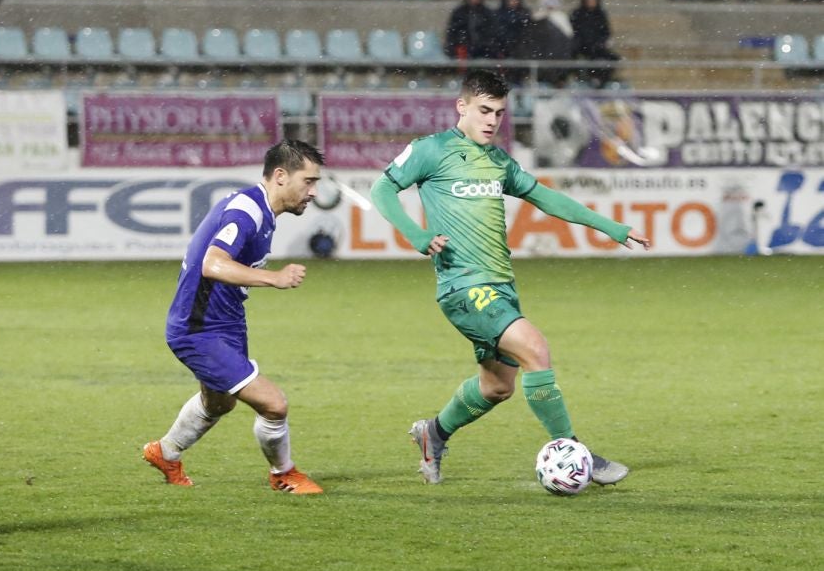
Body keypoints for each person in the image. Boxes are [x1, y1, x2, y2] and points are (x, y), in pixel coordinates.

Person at [368, 70, 650, 488]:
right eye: (484, 110)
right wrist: (416, 234)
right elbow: (381, 190)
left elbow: (546, 197)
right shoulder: (432, 150)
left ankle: (434, 433)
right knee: (536, 349)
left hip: (499, 286)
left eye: (499, 113)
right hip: (463, 287)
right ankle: (575, 453)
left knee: (497, 387)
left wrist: (610, 227)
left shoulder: (499, 161)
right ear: (461, 107)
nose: (491, 120)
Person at [143, 139, 326, 495]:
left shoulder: (263, 211)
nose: (314, 192)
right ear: (280, 176)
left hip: (225, 322)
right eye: (308, 181)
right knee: (274, 404)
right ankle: (283, 473)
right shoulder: (248, 211)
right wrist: (274, 278)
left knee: (219, 402)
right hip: (198, 328)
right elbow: (213, 264)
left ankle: (165, 453)